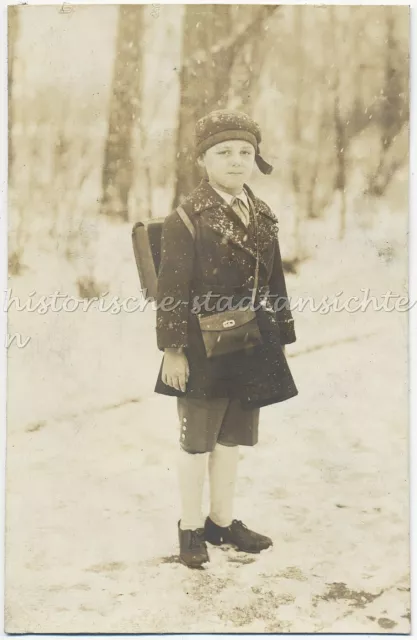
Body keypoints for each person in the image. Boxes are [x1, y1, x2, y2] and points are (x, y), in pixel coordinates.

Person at [154, 109, 298, 569]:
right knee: (198, 440)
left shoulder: (262, 213)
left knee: (232, 437)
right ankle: (190, 527)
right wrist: (173, 351)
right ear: (203, 160)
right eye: (224, 153)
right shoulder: (187, 217)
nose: (236, 161)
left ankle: (222, 520)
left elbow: (274, 280)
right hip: (201, 345)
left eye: (245, 153)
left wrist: (281, 334)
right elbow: (172, 290)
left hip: (250, 342)